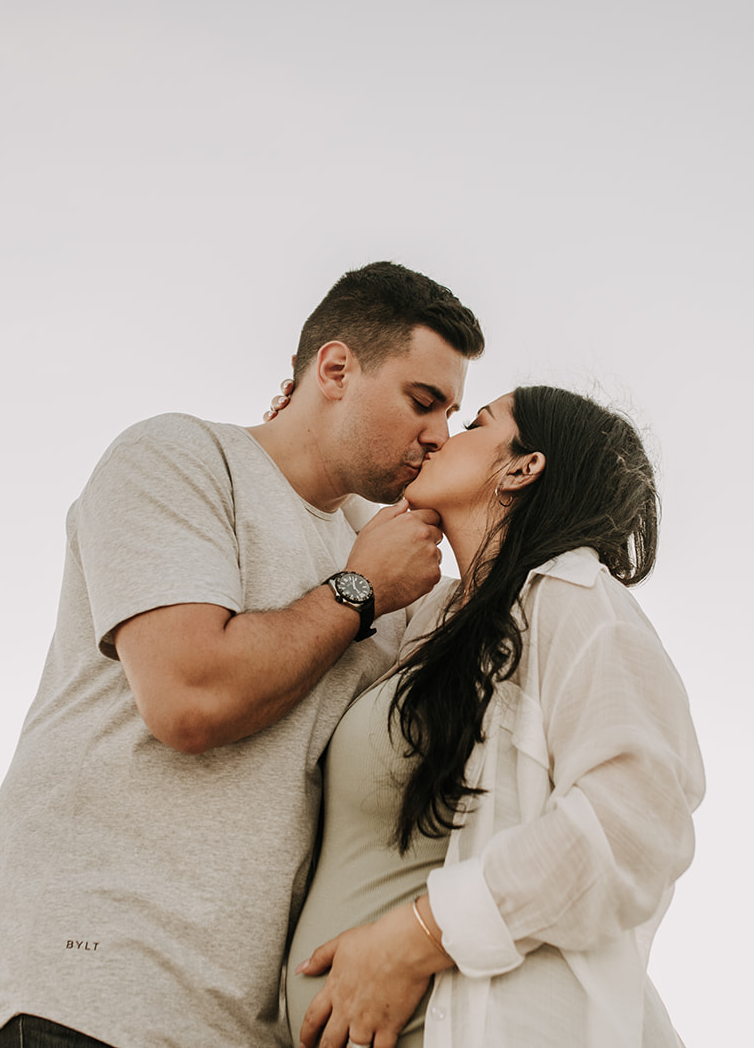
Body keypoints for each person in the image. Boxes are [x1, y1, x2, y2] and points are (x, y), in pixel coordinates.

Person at [0, 262, 486, 1048]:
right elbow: (188, 697)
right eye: (422, 401)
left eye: (454, 413)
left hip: (237, 1027)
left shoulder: (382, 559)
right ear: (334, 369)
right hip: (82, 999)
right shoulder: (179, 458)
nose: (438, 433)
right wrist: (359, 588)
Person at [284, 386, 706, 1048]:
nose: (438, 437)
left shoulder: (572, 597)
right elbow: (339, 548)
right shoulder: (433, 621)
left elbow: (634, 821)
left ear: (521, 466)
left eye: (476, 422)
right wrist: (314, 417)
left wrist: (419, 936)